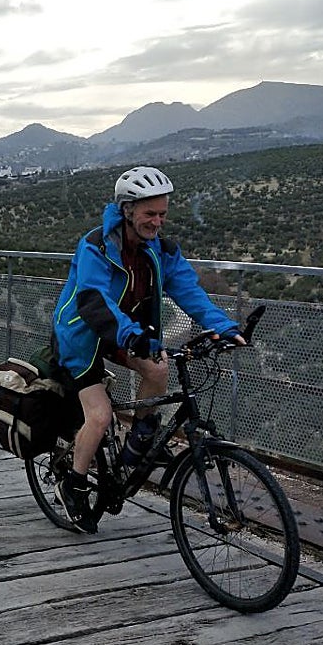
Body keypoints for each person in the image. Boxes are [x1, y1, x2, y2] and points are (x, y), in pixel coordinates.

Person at [51, 167, 245, 533]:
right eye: (149, 214)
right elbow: (94, 300)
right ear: (127, 210)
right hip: (80, 336)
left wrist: (223, 326)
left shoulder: (161, 250)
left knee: (158, 370)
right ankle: (72, 484)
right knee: (100, 415)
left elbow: (189, 291)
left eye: (162, 214)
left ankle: (136, 446)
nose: (157, 222)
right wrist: (133, 336)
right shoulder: (96, 246)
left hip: (124, 333)